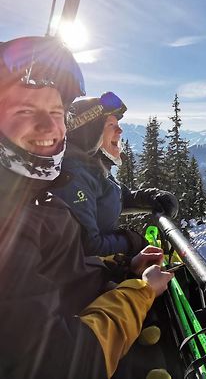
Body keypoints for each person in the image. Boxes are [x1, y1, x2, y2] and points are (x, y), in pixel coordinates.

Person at [0, 36, 174, 379]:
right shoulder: (13, 221)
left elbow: (68, 267)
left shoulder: (41, 191)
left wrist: (125, 264)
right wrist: (139, 290)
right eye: (24, 110)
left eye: (56, 112)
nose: (49, 126)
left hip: (98, 309)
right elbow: (58, 364)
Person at [51, 92, 179, 257]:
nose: (120, 129)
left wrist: (152, 197)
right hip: (93, 276)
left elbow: (118, 197)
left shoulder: (93, 168)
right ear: (89, 134)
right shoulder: (74, 176)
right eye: (110, 124)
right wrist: (132, 241)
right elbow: (88, 247)